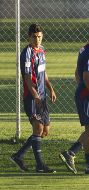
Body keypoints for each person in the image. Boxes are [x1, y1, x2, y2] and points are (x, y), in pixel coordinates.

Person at [59, 24, 89, 175]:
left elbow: (77, 73)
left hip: (86, 94)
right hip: (88, 96)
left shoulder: (86, 50)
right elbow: (85, 76)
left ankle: (71, 152)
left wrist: (82, 86)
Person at [10, 23, 57, 173]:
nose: (37, 40)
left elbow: (44, 72)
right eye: (34, 37)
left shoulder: (42, 50)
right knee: (38, 127)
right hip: (31, 97)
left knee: (45, 131)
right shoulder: (27, 53)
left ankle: (18, 156)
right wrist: (35, 95)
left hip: (42, 97)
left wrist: (51, 89)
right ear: (29, 37)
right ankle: (40, 166)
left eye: (39, 36)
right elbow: (28, 78)